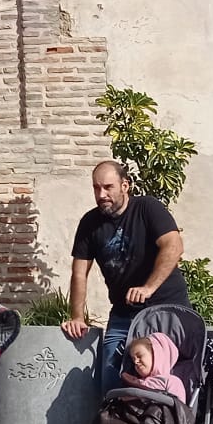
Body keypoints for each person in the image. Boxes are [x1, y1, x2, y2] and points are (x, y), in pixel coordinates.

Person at [61, 160, 185, 387]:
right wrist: (77, 317)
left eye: (108, 187)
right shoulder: (90, 223)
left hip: (167, 309)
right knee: (110, 375)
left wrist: (148, 288)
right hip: (124, 314)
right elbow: (79, 272)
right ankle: (113, 411)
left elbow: (174, 246)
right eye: (96, 188)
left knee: (169, 378)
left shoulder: (147, 208)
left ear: (125, 186)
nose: (101, 194)